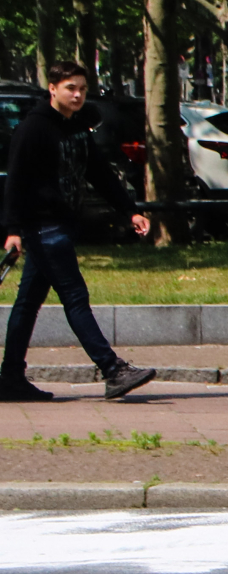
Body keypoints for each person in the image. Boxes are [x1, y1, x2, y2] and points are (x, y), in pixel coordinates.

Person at [2, 64, 159, 402]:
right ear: (53, 87)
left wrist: (129, 210)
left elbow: (100, 174)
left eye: (83, 89)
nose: (77, 95)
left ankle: (10, 377)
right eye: (71, 88)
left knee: (27, 304)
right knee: (75, 296)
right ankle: (112, 369)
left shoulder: (76, 128)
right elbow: (16, 181)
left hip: (61, 225)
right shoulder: (33, 129)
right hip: (42, 226)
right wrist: (12, 229)